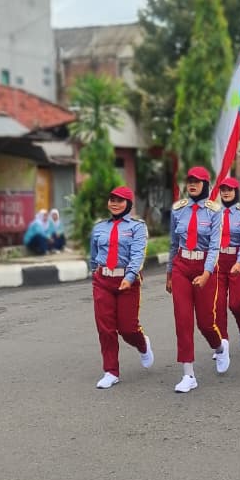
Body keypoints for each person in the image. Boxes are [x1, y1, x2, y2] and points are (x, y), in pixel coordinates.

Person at [166, 166, 229, 394]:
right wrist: (169, 273)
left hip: (204, 267)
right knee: (183, 321)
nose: (192, 185)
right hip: (181, 266)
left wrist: (206, 273)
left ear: (205, 185)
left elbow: (214, 246)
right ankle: (188, 374)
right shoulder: (178, 209)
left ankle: (219, 348)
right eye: (190, 181)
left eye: (197, 181)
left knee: (205, 322)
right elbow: (173, 243)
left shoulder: (215, 211)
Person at [89, 186, 153, 388]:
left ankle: (142, 344)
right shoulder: (99, 227)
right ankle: (111, 371)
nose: (115, 204)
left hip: (127, 281)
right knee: (105, 328)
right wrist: (95, 272)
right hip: (103, 281)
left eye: (120, 200)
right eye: (112, 200)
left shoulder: (137, 227)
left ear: (128, 204)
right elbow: (94, 255)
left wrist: (130, 276)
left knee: (127, 328)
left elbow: (138, 254)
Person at [214, 177, 240, 351]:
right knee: (218, 305)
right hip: (218, 262)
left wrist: (239, 262)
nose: (226, 193)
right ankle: (222, 343)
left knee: (236, 304)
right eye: (223, 190)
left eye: (229, 190)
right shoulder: (214, 212)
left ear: (236, 192)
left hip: (237, 262)